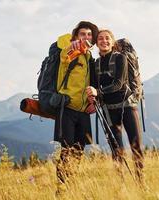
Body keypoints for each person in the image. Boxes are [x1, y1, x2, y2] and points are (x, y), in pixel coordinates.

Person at [86, 29, 144, 182]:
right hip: (108, 110)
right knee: (116, 150)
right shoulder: (95, 64)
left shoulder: (121, 58)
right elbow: (92, 85)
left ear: (112, 42)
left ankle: (141, 182)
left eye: (107, 38)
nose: (104, 41)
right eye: (100, 39)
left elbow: (118, 84)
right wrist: (92, 95)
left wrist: (97, 92)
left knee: (135, 146)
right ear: (96, 43)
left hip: (127, 106)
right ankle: (121, 184)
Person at [53, 21, 98, 187]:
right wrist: (77, 44)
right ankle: (61, 187)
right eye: (82, 34)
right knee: (66, 149)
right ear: (76, 36)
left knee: (79, 150)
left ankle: (70, 184)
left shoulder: (88, 58)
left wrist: (94, 102)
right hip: (67, 107)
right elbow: (66, 54)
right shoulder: (69, 51)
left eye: (89, 35)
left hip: (84, 111)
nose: (86, 37)